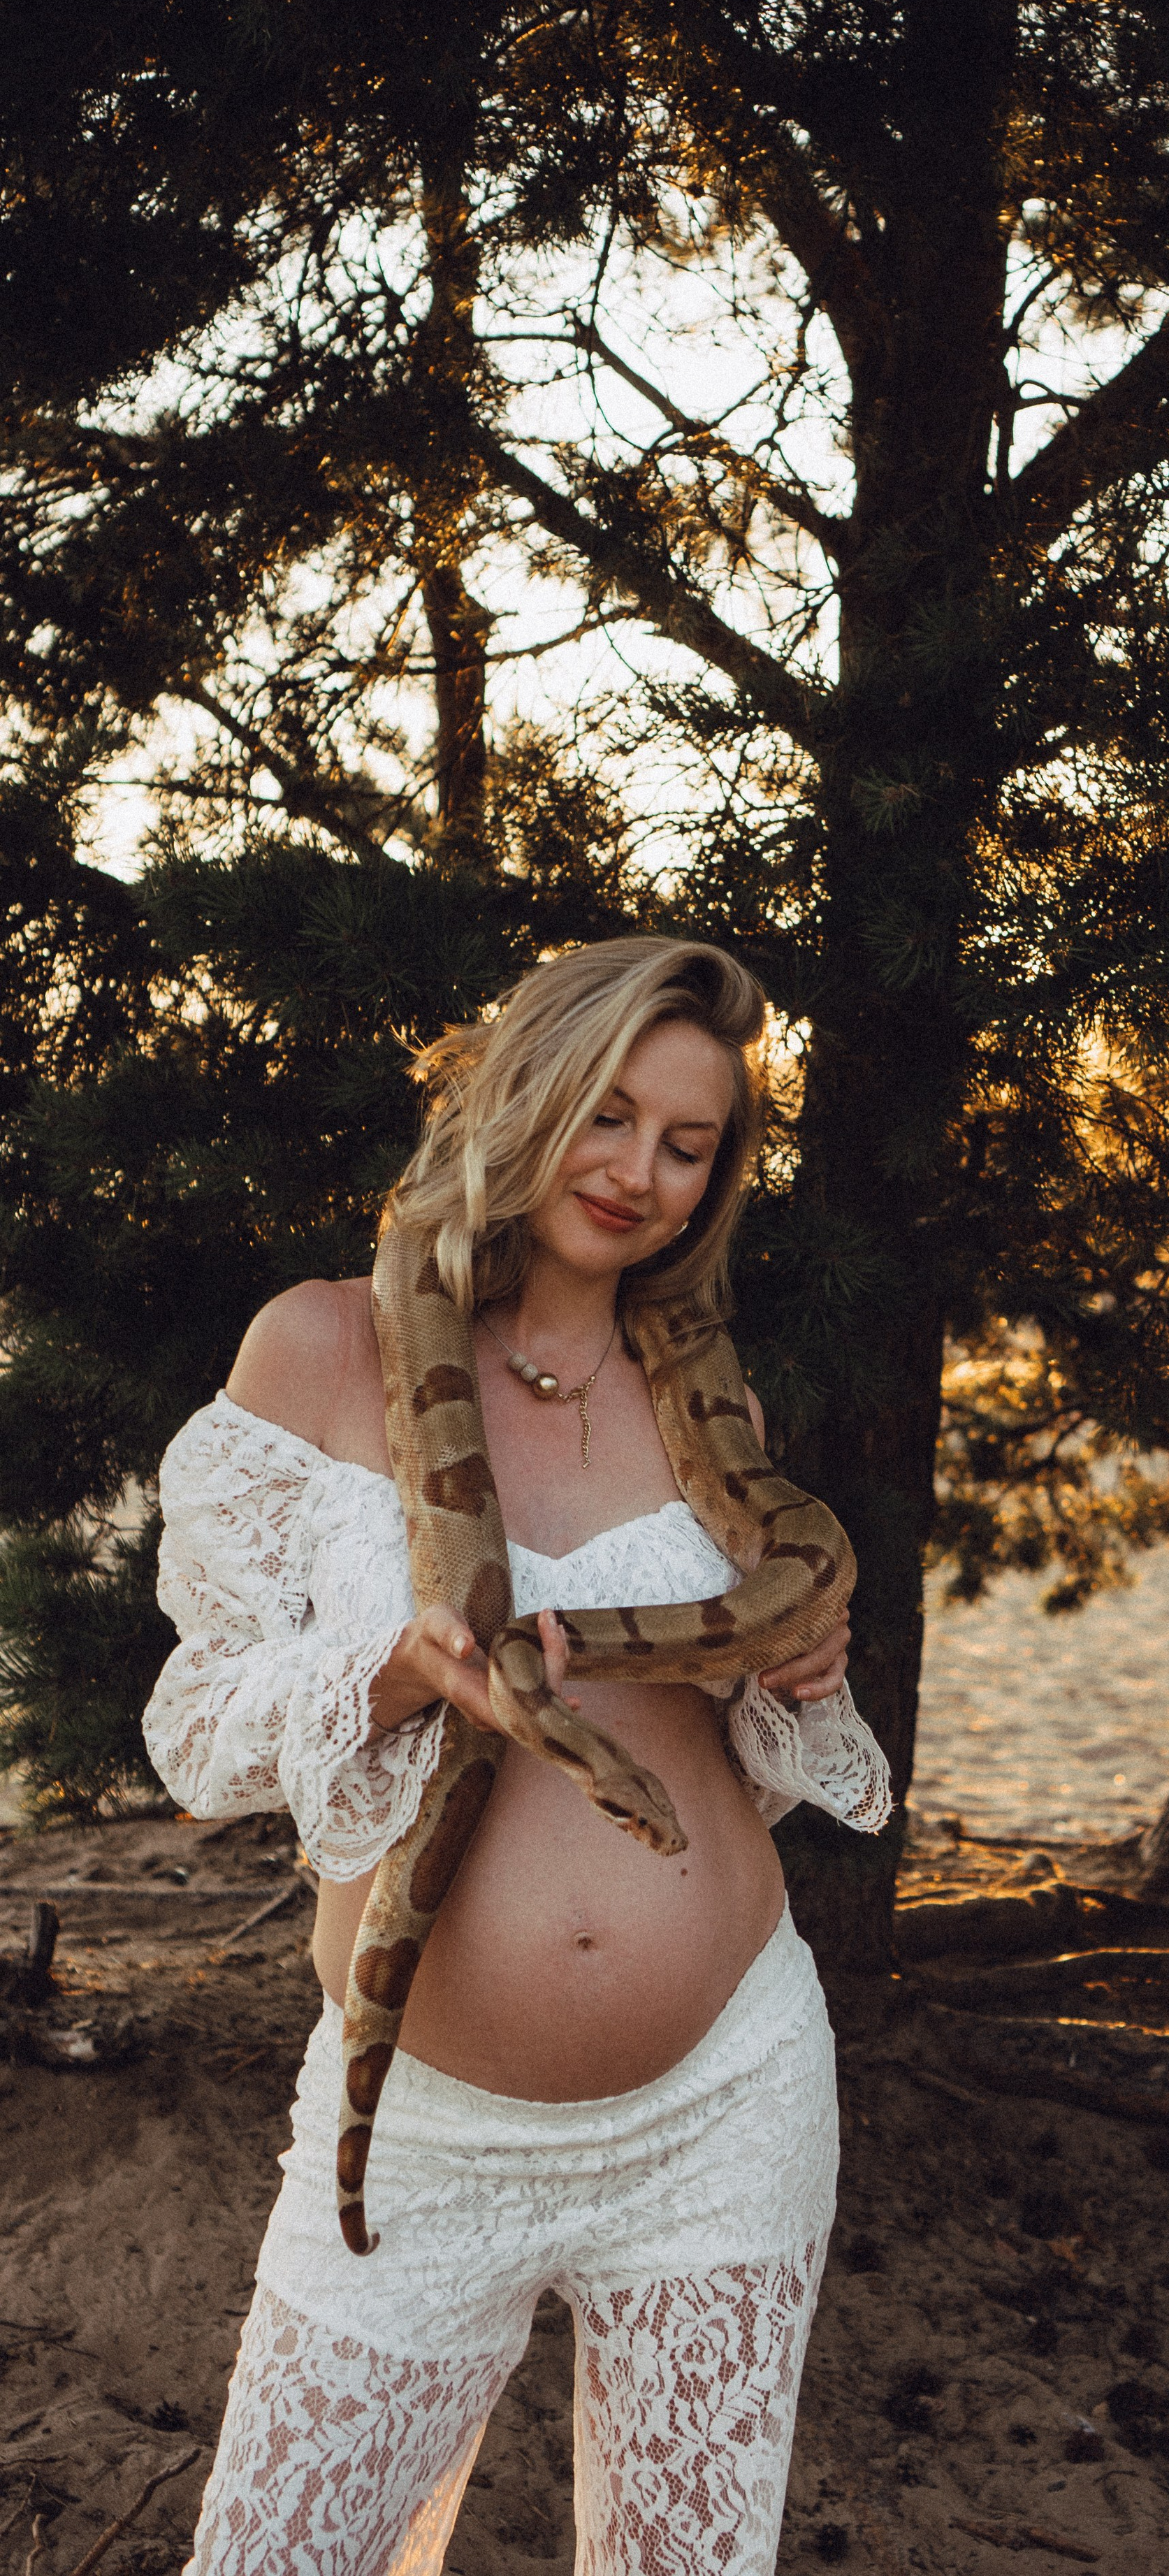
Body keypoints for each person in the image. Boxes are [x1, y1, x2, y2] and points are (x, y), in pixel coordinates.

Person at [144, 937, 891, 2576]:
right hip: (422, 2123)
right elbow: (200, 1734)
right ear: (526, 1091)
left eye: (687, 1145)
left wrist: (799, 1671)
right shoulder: (324, 1346)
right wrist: (404, 1673)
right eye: (609, 1115)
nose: (639, 1173)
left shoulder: (712, 1410)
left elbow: (748, 1766)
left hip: (727, 2102)